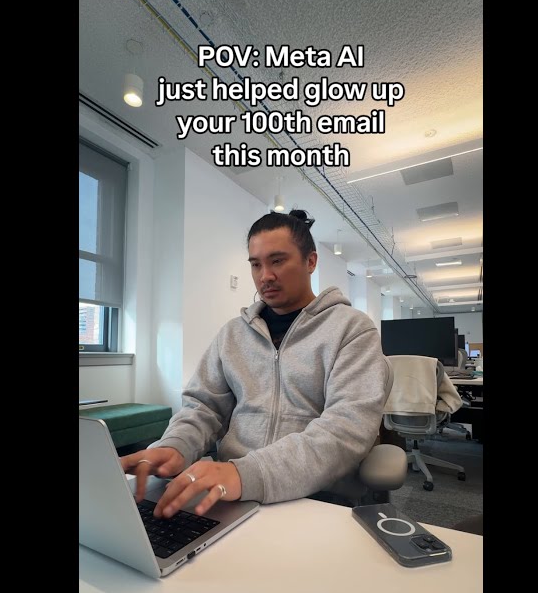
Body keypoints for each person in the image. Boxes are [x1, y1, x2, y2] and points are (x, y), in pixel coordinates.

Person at [120, 209, 392, 519]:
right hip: (232, 492)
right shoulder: (233, 334)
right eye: (256, 264)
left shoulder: (351, 329)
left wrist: (248, 474)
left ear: (310, 261)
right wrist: (176, 446)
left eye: (277, 261)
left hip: (318, 497)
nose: (265, 276)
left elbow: (345, 430)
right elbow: (204, 407)